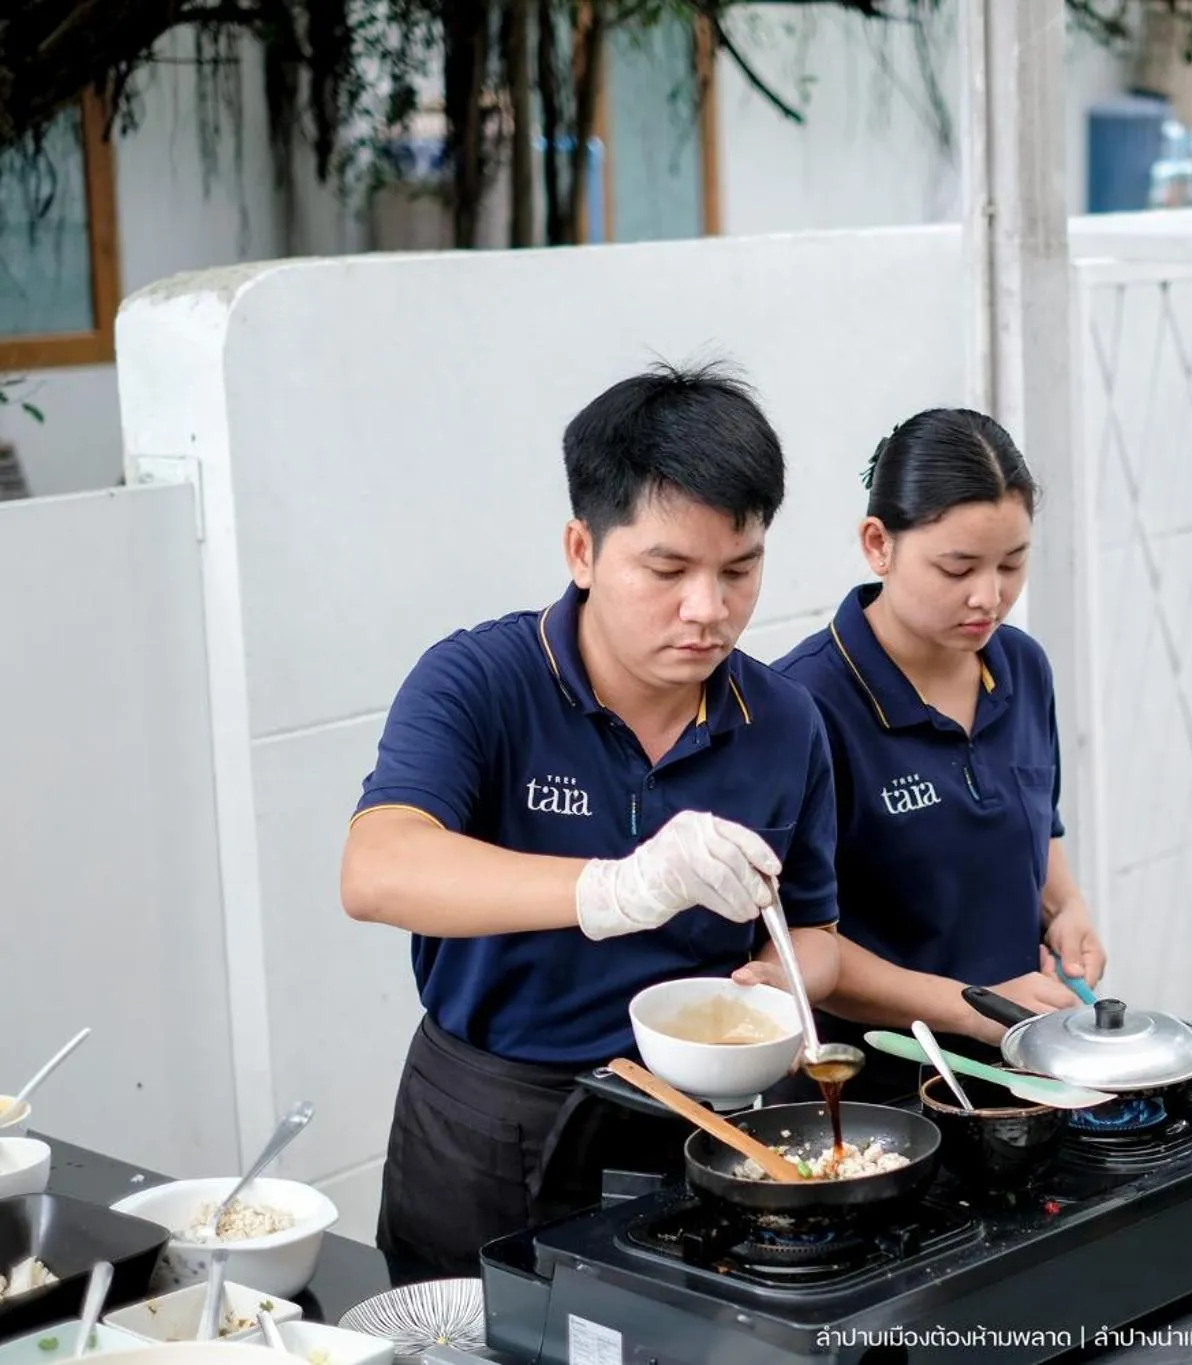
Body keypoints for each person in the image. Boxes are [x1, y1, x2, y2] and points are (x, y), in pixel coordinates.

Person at [340, 362, 841, 1284]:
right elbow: (377, 869)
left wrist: (782, 979)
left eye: (740, 569)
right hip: (489, 1116)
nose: (709, 608)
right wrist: (615, 887)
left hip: (701, 1123)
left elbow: (816, 931)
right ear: (582, 549)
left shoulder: (785, 722)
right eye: (667, 568)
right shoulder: (480, 683)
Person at [774, 408, 1103, 1101]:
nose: (990, 597)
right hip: (871, 1093)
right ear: (878, 544)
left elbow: (1036, 824)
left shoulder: (1021, 666)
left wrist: (1066, 905)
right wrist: (976, 1006)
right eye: (957, 567)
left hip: (1019, 1070)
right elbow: (796, 945)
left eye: (1012, 563)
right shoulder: (804, 705)